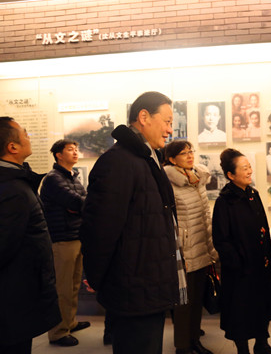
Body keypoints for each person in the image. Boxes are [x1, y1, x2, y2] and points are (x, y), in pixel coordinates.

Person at [81, 91, 186, 354]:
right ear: (144, 117)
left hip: (148, 284)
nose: (170, 130)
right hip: (134, 288)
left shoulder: (147, 159)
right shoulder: (118, 161)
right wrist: (96, 275)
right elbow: (100, 229)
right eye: (167, 121)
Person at [212, 148, 271, 354]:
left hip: (260, 265)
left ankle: (262, 344)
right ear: (231, 175)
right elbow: (221, 239)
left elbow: (263, 228)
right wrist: (237, 262)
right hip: (240, 270)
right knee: (240, 310)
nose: (249, 171)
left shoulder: (253, 194)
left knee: (261, 304)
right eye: (244, 168)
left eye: (249, 166)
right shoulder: (225, 201)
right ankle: (242, 349)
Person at [0, 117, 61, 354]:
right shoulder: (11, 189)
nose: (29, 137)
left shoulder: (15, 181)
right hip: (13, 298)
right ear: (12, 147)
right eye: (25, 133)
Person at [164, 140, 219, 354]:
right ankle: (183, 346)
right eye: (183, 153)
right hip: (184, 251)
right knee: (183, 302)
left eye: (190, 151)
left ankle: (195, 340)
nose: (189, 156)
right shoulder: (169, 182)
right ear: (171, 159)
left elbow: (205, 215)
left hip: (202, 247)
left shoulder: (197, 179)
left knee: (197, 301)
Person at [40, 139, 89, 347]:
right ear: (59, 155)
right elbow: (77, 202)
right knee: (63, 288)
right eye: (70, 150)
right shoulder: (53, 178)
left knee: (74, 285)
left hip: (76, 236)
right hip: (61, 239)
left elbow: (84, 202)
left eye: (76, 149)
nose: (75, 152)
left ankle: (69, 322)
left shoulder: (73, 177)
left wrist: (80, 206)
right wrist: (79, 206)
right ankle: (58, 332)